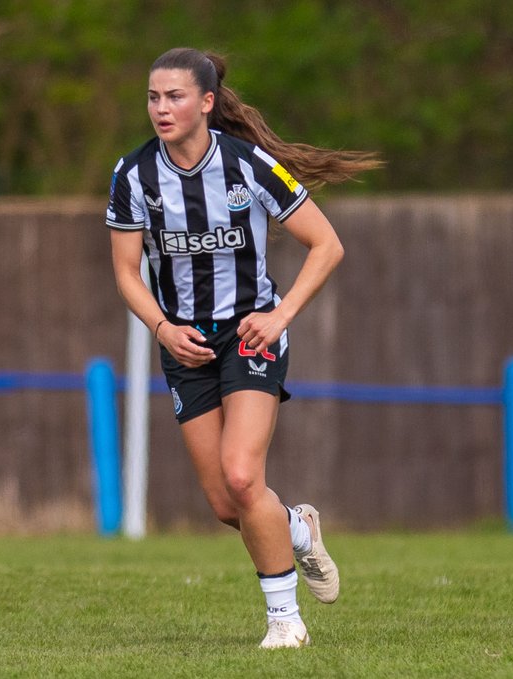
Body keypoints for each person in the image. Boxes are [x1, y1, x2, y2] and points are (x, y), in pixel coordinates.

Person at [106, 47, 380, 649]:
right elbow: (127, 273)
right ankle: (297, 528)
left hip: (250, 335)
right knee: (229, 505)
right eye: (153, 97)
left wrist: (279, 316)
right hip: (183, 345)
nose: (161, 108)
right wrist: (161, 328)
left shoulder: (247, 165)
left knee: (241, 473)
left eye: (174, 96)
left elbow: (326, 245)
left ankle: (285, 622)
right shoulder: (132, 175)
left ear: (206, 102)